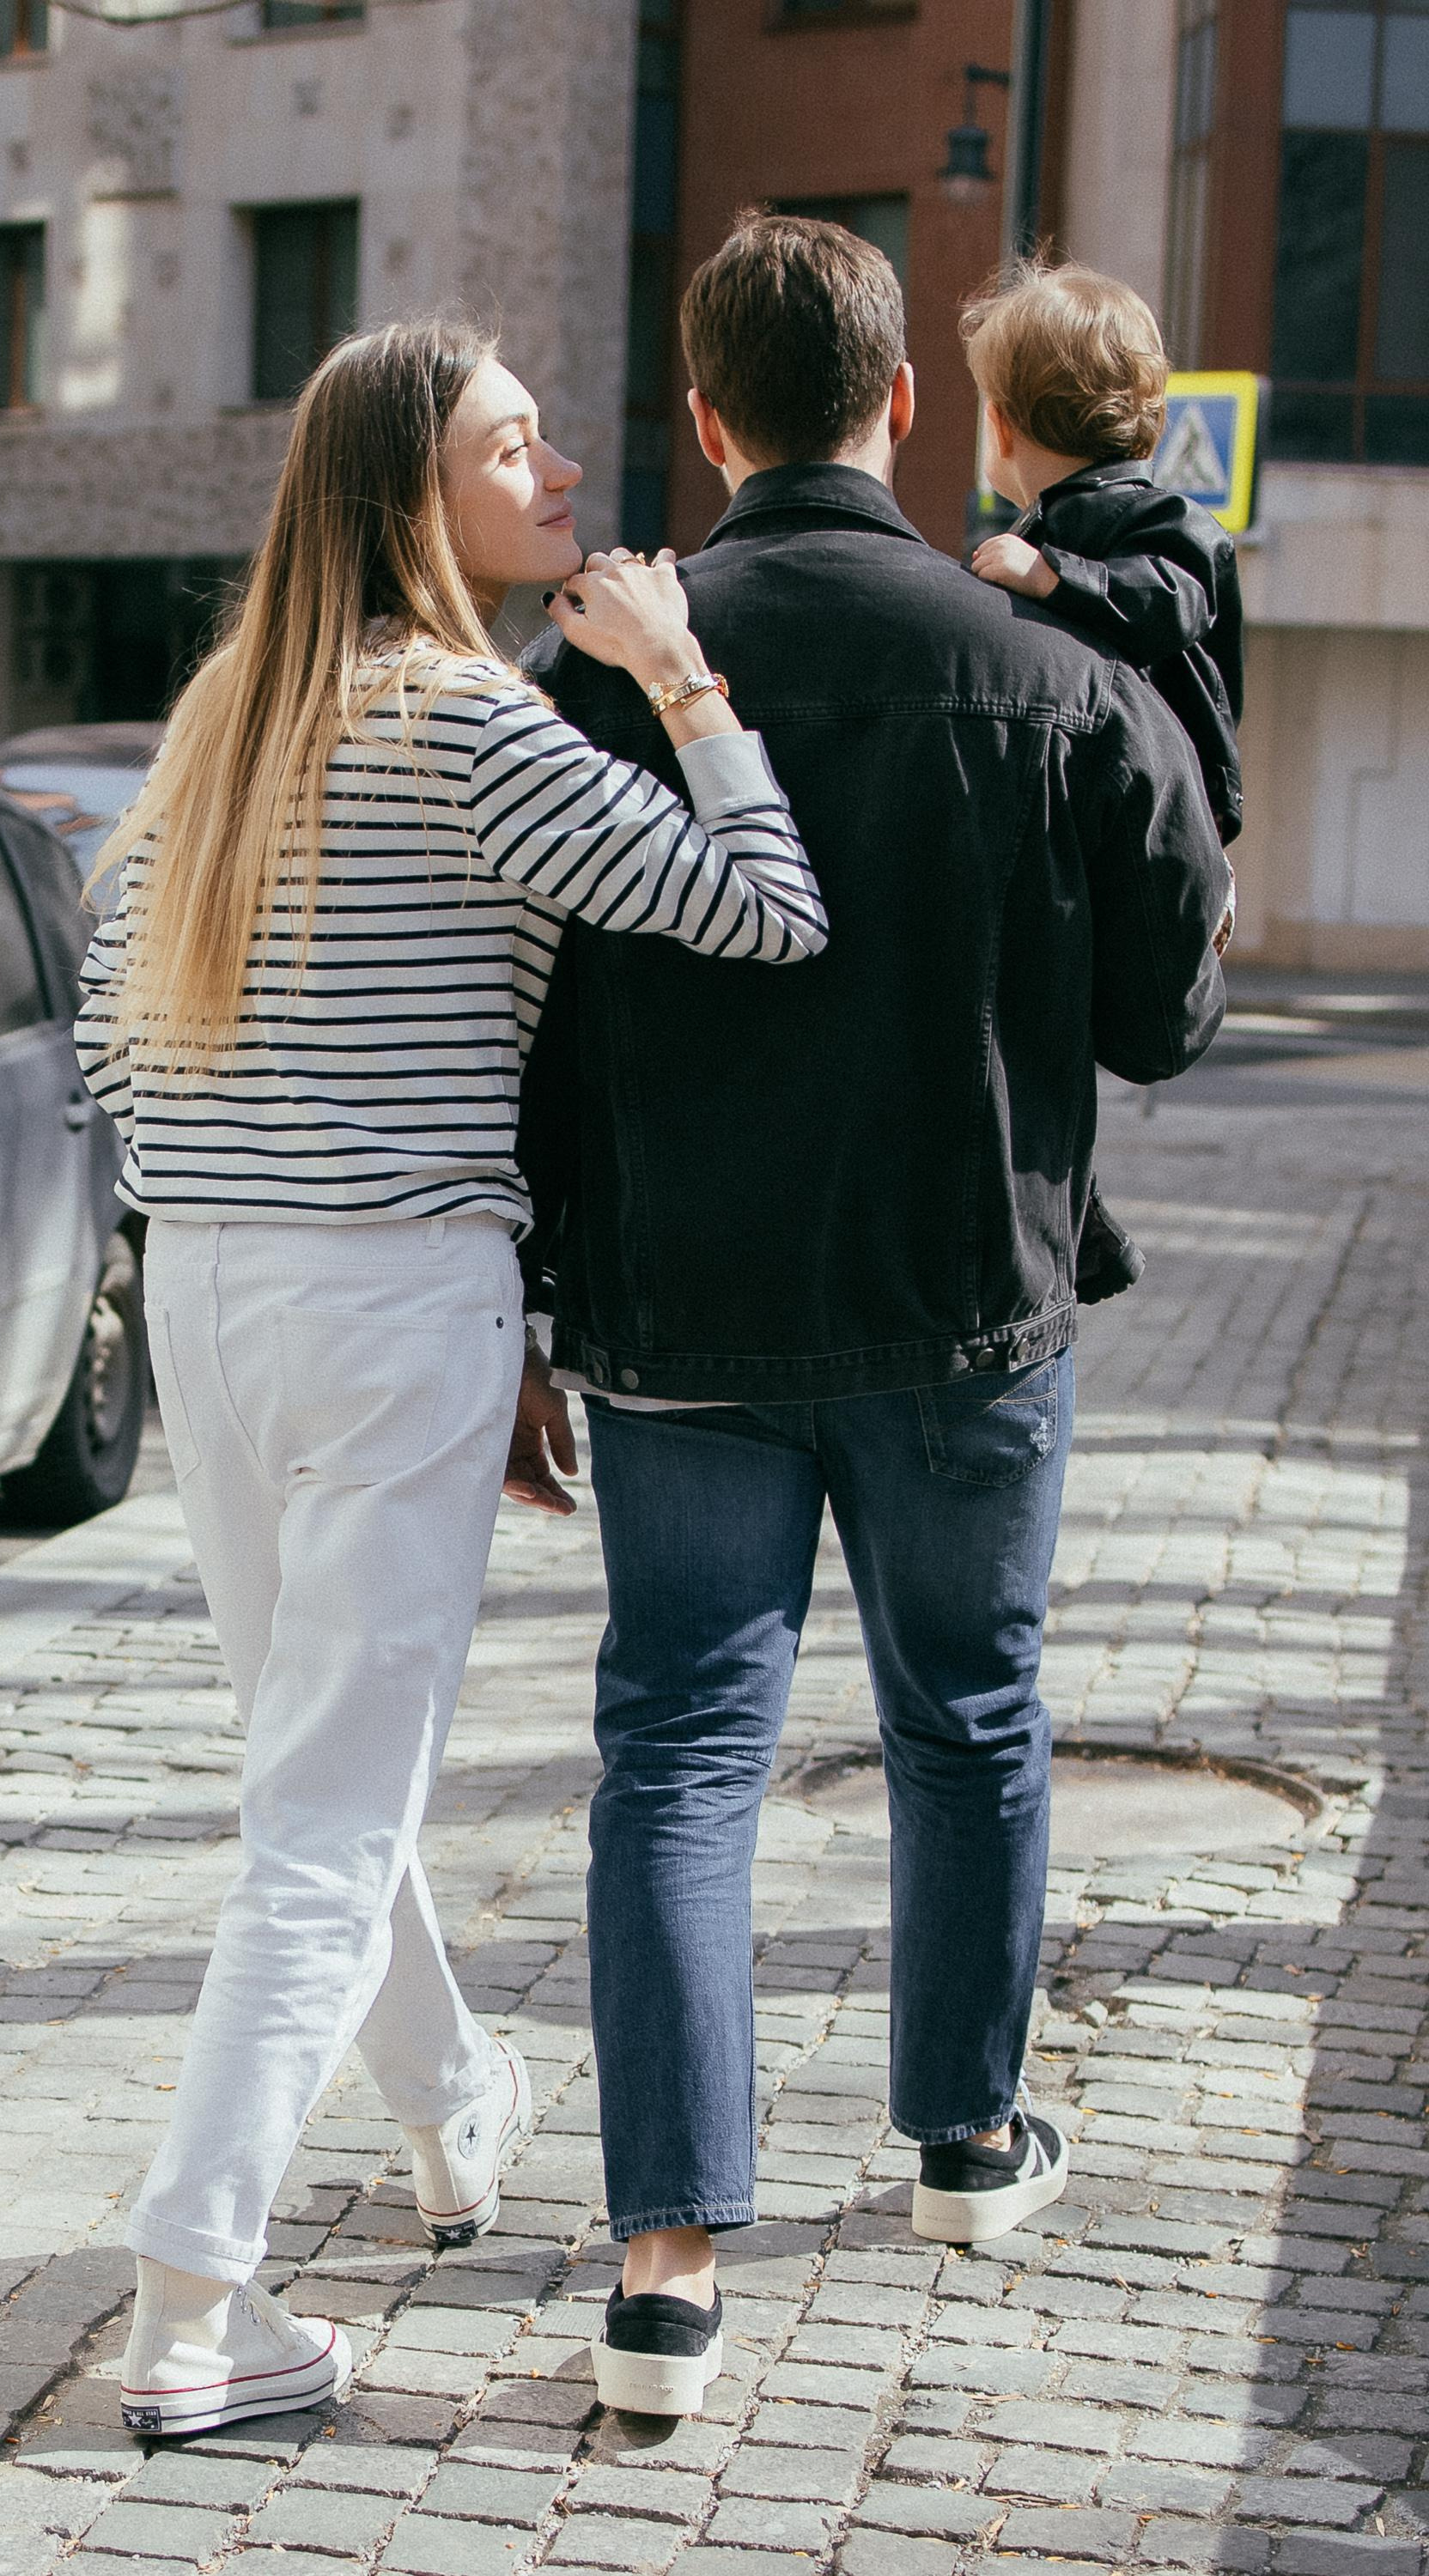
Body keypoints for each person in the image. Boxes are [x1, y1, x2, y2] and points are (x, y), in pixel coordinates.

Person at [73, 319, 827, 2439]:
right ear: (422, 494)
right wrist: (683, 677)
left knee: (313, 1764)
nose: (560, 470)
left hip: (211, 1280)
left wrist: (222, 1164)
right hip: (389, 1292)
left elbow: (98, 1019)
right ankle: (193, 2296)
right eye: (514, 446)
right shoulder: (470, 723)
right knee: (323, 1809)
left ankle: (444, 2109)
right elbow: (763, 909)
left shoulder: (230, 714)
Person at [512, 214, 1232, 2420]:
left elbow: (521, 1030)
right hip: (958, 1314)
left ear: (706, 419)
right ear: (903, 407)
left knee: (679, 1755)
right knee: (968, 1720)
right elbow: (1158, 1023)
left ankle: (660, 2264)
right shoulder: (1050, 672)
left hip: (681, 1328)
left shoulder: (602, 667)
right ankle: (959, 2140)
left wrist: (538, 1303)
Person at [964, 258, 1244, 1306]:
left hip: (1170, 807)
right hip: (1108, 809)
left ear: (1003, 420)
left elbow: (1168, 603)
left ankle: (1074, 1224)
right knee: (1047, 1037)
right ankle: (1077, 1227)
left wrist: (1052, 579)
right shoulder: (1035, 530)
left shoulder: (1149, 516)